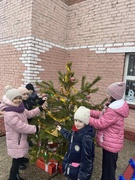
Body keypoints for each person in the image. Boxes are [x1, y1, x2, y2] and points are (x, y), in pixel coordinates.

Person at [0, 87, 45, 180]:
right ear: (10, 100)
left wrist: (39, 109)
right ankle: (13, 177)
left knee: (19, 155)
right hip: (16, 140)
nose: (18, 100)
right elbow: (21, 127)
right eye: (15, 98)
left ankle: (20, 162)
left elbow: (29, 114)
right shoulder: (10, 113)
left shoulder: (20, 108)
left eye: (19, 98)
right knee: (16, 160)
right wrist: (35, 128)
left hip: (20, 139)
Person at [89, 82, 129, 180]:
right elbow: (102, 115)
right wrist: (89, 112)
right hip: (111, 142)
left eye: (108, 93)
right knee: (109, 168)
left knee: (108, 171)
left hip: (111, 144)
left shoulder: (113, 110)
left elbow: (100, 123)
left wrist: (86, 118)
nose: (106, 95)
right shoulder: (113, 107)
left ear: (113, 96)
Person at [56, 106, 95, 180]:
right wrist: (62, 130)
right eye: (76, 120)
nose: (77, 123)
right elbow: (69, 136)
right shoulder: (76, 132)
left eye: (80, 121)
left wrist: (82, 177)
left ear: (85, 122)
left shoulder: (86, 139)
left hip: (77, 173)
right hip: (71, 169)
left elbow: (87, 161)